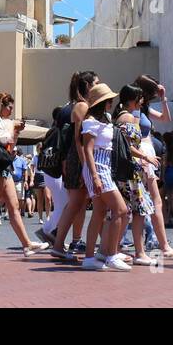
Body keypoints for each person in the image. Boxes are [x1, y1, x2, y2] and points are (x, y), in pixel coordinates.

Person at [0, 93, 50, 257]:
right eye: (9, 107)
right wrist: (13, 128)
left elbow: (10, 142)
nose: (11, 111)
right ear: (2, 105)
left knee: (13, 206)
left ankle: (26, 244)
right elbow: (5, 139)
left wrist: (15, 130)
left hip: (2, 166)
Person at [132, 76, 173, 259]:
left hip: (146, 155)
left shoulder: (143, 108)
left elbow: (166, 118)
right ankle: (162, 246)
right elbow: (132, 133)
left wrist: (164, 98)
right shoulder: (136, 110)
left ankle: (156, 245)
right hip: (143, 156)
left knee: (148, 202)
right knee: (153, 201)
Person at [79, 83, 131, 271]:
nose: (112, 102)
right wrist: (94, 176)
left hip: (103, 166)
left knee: (100, 212)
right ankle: (111, 254)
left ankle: (90, 257)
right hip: (98, 167)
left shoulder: (104, 119)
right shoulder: (91, 122)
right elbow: (88, 149)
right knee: (121, 210)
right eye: (109, 100)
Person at [50, 70, 96, 260]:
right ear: (87, 86)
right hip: (78, 159)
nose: (98, 86)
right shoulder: (82, 106)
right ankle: (59, 244)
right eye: (95, 83)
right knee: (75, 203)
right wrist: (86, 165)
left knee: (77, 203)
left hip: (77, 159)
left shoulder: (81, 105)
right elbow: (78, 140)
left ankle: (61, 244)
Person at [113, 85, 159, 266]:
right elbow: (127, 145)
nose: (142, 102)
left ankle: (114, 249)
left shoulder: (122, 116)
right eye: (140, 98)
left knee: (123, 212)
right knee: (139, 211)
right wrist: (145, 156)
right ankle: (139, 252)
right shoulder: (128, 117)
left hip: (127, 170)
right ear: (133, 99)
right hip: (131, 171)